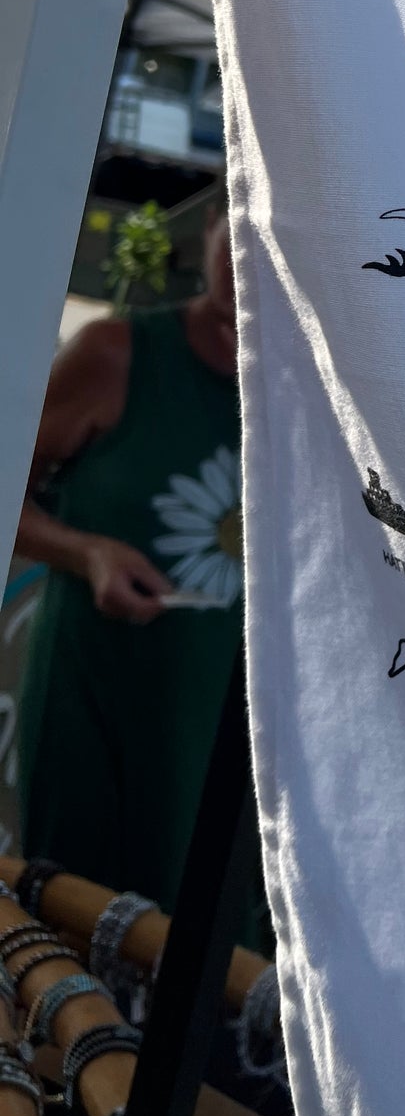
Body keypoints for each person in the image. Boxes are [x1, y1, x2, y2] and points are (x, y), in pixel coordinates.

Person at [16, 203, 245, 913]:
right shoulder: (116, 353)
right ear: (209, 227)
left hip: (228, 728)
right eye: (238, 222)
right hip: (98, 698)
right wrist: (86, 551)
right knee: (72, 928)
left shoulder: (322, 396)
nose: (248, 254)